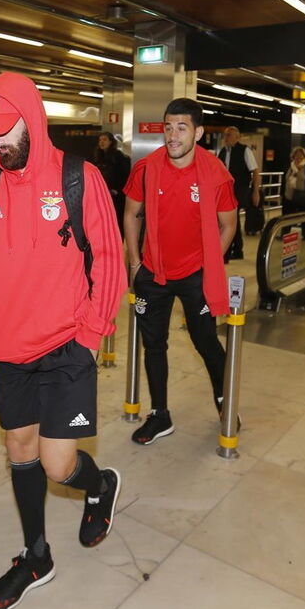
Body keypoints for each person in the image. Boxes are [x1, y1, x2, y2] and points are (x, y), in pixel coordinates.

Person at [0, 72, 124, 609]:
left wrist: (90, 334)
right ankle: (36, 555)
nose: (1, 145)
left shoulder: (80, 179)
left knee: (59, 466)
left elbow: (108, 259)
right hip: (8, 347)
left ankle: (100, 485)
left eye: (8, 131)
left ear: (31, 118)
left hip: (65, 346)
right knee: (19, 447)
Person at [123, 98, 238, 445]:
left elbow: (228, 224)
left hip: (195, 274)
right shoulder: (147, 168)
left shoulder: (216, 173)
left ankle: (224, 398)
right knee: (153, 345)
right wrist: (134, 262)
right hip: (153, 272)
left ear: (198, 133)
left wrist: (208, 267)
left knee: (205, 341)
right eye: (168, 127)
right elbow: (130, 214)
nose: (173, 136)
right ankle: (160, 415)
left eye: (182, 127)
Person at [217, 126, 261, 262]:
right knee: (231, 220)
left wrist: (255, 191)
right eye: (225, 135)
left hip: (239, 190)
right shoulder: (223, 152)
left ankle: (227, 254)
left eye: (229, 135)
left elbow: (255, 172)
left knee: (229, 219)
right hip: (225, 190)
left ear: (237, 137)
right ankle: (237, 251)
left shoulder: (244, 150)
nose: (226, 138)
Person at [92, 131, 131, 239]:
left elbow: (124, 175)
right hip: (102, 195)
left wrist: (116, 189)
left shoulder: (119, 156)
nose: (101, 142)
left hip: (116, 195)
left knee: (117, 220)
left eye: (104, 139)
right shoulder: (98, 157)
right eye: (100, 140)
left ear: (111, 142)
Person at [281, 146, 305, 240]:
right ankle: (285, 234)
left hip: (303, 196)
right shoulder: (289, 167)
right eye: (297, 155)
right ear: (293, 156)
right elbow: (284, 181)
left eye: (301, 155)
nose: (299, 157)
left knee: (304, 216)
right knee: (287, 216)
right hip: (289, 196)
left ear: (304, 156)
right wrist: (281, 194)